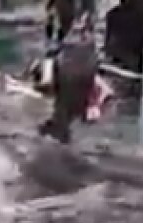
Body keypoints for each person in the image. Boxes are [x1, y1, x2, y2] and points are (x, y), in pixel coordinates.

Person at [37, 11, 101, 144]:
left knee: (66, 107)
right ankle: (61, 128)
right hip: (75, 77)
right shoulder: (86, 43)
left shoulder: (76, 41)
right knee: (69, 107)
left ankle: (60, 129)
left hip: (71, 76)